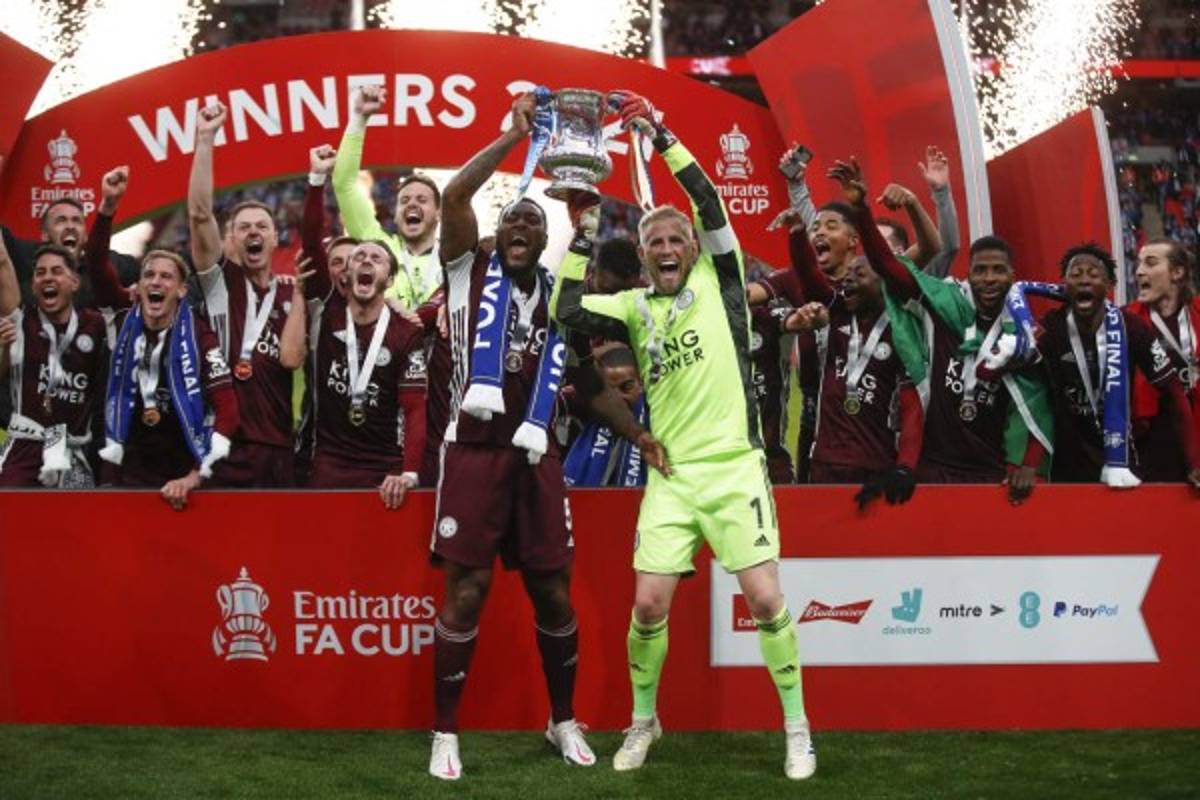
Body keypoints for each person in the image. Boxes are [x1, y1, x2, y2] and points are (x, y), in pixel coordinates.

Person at [552, 91, 816, 781]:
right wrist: (581, 235)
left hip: (733, 469)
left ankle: (797, 728)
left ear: (693, 249)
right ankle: (644, 721)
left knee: (764, 599)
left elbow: (707, 197)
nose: (667, 248)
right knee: (647, 605)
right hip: (671, 477)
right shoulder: (637, 306)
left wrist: (661, 133)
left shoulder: (720, 283)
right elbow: (566, 309)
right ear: (642, 257)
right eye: (654, 243)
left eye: (676, 240)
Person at [425, 91, 663, 781]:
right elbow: (455, 198)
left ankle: (562, 720)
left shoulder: (565, 294)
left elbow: (589, 383)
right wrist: (510, 138)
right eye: (514, 216)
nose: (524, 223)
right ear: (499, 233)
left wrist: (638, 436)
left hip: (537, 455)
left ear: (545, 234)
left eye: (535, 217)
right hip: (472, 451)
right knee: (466, 591)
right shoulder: (468, 269)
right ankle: (446, 733)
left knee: (553, 591)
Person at [826, 157, 1053, 503]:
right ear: (969, 274)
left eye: (998, 271)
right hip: (931, 470)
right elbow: (888, 266)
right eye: (980, 271)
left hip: (989, 475)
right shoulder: (945, 303)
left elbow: (1034, 402)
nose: (989, 279)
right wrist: (860, 209)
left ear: (1012, 276)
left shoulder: (1021, 332)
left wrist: (1028, 464)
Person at [1007, 243, 1200, 489]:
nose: (1084, 280)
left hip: (1122, 462)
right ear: (1065, 286)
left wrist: (1194, 463)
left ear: (1110, 286)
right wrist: (1028, 464)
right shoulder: (1051, 329)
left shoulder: (1133, 328)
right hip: (1067, 467)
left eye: (1094, 274)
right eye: (1075, 275)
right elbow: (1033, 397)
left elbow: (1174, 392)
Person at [188, 102, 303, 487]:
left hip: (278, 445)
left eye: (262, 226)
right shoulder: (222, 283)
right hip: (224, 443)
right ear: (231, 239)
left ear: (275, 238)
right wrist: (205, 139)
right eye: (243, 227)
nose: (253, 232)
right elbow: (200, 214)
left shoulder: (293, 290)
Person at [775, 212, 925, 506]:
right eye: (848, 274)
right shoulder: (838, 316)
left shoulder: (903, 331)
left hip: (876, 463)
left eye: (860, 274)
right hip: (824, 461)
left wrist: (905, 465)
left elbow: (912, 405)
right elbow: (809, 275)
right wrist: (796, 233)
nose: (848, 280)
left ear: (883, 281)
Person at [285, 235, 426, 506]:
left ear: (390, 280)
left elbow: (415, 408)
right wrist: (316, 189)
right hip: (329, 464)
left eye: (377, 259)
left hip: (385, 467)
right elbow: (312, 238)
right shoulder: (325, 316)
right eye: (359, 257)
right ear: (346, 276)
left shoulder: (406, 332)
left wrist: (408, 473)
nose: (367, 261)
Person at [96, 249, 240, 510]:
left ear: (182, 290)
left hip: (181, 480)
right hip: (128, 478)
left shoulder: (199, 337)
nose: (156, 282)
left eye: (166, 277)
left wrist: (195, 475)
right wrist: (106, 212)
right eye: (149, 275)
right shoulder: (122, 324)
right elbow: (96, 262)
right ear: (138, 287)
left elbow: (228, 411)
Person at [0, 238, 107, 487]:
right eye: (40, 273)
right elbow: (2, 261)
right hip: (25, 449)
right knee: (10, 520)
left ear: (75, 282)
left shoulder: (98, 326)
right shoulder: (21, 323)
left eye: (57, 271)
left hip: (73, 452)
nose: (47, 277)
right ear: (34, 285)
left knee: (77, 524)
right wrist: (4, 350)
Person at [334, 86, 442, 310]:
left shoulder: (453, 259)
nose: (411, 203)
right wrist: (359, 119)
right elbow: (343, 184)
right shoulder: (378, 247)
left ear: (438, 213)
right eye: (404, 201)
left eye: (422, 200)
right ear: (395, 214)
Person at [1125, 237, 1200, 481]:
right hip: (1150, 440)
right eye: (1138, 264)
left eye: (1150, 263)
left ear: (1177, 272)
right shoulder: (1125, 320)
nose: (1138, 272)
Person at [563, 345, 649, 487]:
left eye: (626, 387)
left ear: (641, 383)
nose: (618, 399)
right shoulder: (592, 406)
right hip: (586, 503)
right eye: (610, 391)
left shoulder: (657, 416)